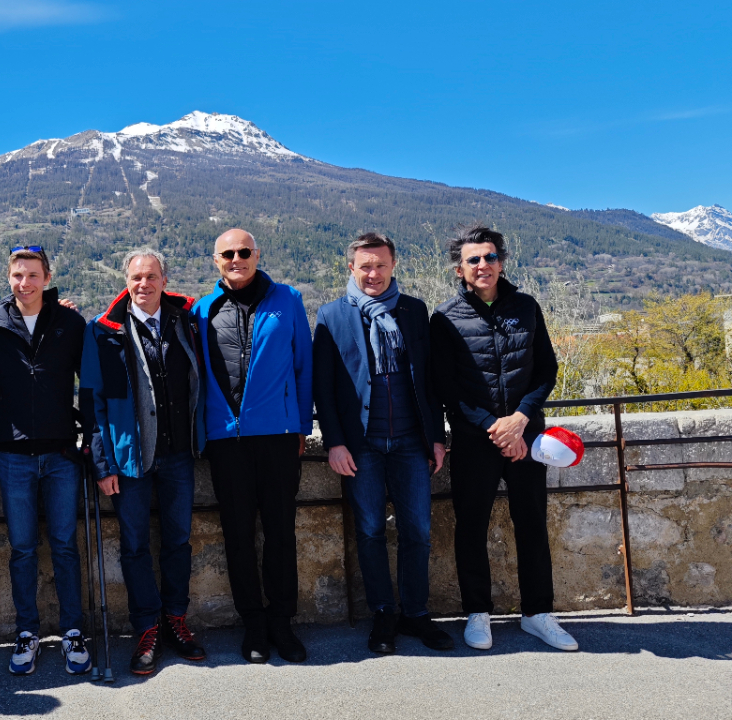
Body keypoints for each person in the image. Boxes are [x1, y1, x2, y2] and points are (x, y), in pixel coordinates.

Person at [429, 224, 577, 652]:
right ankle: (477, 613)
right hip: (477, 440)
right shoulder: (444, 319)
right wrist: (496, 428)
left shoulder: (527, 307)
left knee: (531, 523)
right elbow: (447, 387)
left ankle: (538, 614)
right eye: (473, 259)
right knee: (470, 526)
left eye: (490, 257)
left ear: (501, 262)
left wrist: (520, 420)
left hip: (528, 437)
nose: (482, 265)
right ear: (459, 269)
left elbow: (545, 371)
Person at [313, 233, 453, 655]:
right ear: (351, 269)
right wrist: (334, 443)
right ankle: (383, 614)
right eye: (365, 266)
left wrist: (436, 436)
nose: (373, 274)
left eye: (380, 265)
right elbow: (324, 387)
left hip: (412, 441)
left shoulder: (414, 311)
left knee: (419, 531)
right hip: (362, 445)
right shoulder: (331, 315)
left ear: (393, 266)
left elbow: (428, 379)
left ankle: (416, 613)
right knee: (370, 531)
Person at [81, 247, 207, 676]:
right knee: (134, 547)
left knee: (178, 541)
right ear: (126, 281)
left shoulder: (186, 320)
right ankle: (146, 628)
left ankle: (176, 618)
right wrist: (103, 463)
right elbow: (92, 403)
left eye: (151, 277)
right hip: (129, 458)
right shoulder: (104, 331)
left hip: (179, 455)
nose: (143, 285)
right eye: (136, 278)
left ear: (164, 280)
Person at [194, 228, 312, 664]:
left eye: (244, 251)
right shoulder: (202, 309)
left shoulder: (288, 300)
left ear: (257, 255)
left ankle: (282, 622)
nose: (236, 258)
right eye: (228, 253)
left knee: (281, 532)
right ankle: (254, 625)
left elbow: (304, 367)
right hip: (226, 439)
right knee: (237, 535)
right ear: (216, 260)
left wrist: (300, 426)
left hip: (278, 436)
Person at [0, 246, 90, 675]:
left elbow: (90, 381)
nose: (24, 283)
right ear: (9, 277)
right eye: (17, 275)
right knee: (22, 549)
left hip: (62, 453)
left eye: (32, 275)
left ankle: (72, 631)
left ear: (46, 277)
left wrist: (93, 437)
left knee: (64, 545)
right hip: (14, 455)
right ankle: (27, 632)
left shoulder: (70, 322)